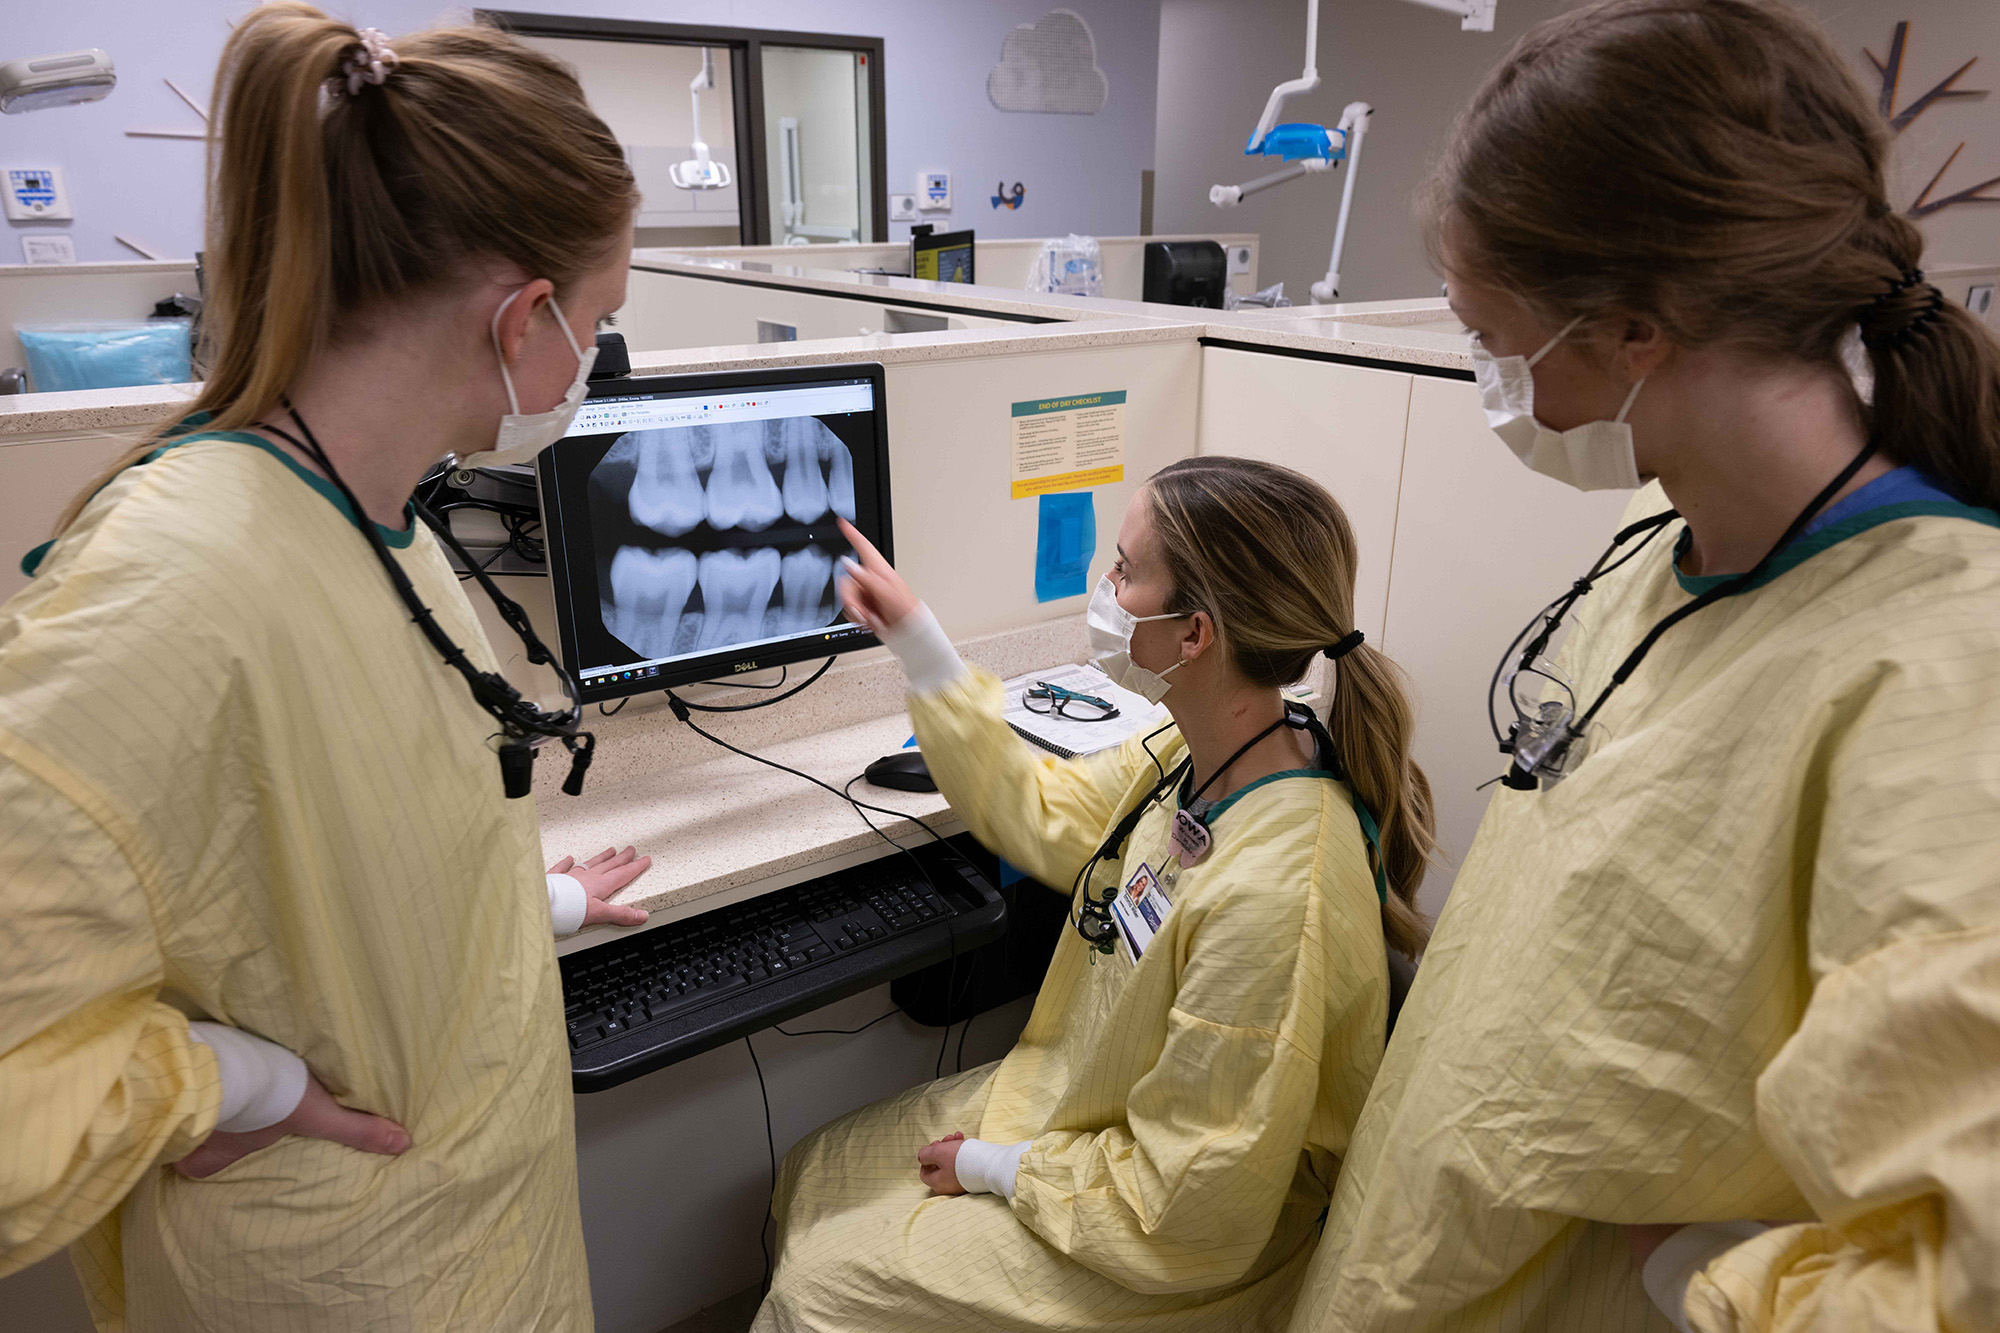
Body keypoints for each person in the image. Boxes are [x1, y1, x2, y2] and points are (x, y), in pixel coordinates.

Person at [1286, 2, 2000, 1331]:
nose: (1495, 379)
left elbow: (1962, 1271)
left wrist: (1697, 1277)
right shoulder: (1654, 531)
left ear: (1631, 331)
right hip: (1439, 1228)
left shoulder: (1945, 678)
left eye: (1489, 334)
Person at [0, 6, 653, 1328]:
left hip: (479, 1233)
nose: (593, 363)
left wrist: (524, 897)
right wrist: (233, 1083)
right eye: (603, 321)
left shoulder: (373, 509)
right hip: (348, 1276)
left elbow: (310, 839)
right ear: (526, 318)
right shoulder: (164, 590)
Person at [753, 457, 1436, 1332]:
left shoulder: (1276, 894)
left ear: (1194, 635)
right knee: (817, 1167)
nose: (1105, 589)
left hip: (1175, 1240)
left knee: (819, 1291)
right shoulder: (1209, 750)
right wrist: (920, 641)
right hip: (1086, 1113)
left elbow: (1191, 1202)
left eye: (1124, 569)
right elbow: (1043, 809)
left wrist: (997, 1169)